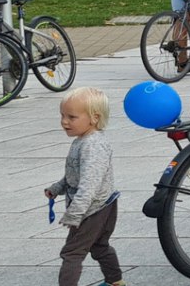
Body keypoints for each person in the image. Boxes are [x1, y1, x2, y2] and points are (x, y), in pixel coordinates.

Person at [47, 87, 122, 286]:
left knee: (71, 253)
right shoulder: (83, 140)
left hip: (92, 210)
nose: (64, 121)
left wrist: (75, 213)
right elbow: (75, 176)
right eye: (62, 115)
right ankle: (116, 282)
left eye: (71, 117)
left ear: (94, 118)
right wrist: (57, 188)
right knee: (99, 247)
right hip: (101, 206)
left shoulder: (93, 145)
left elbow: (90, 185)